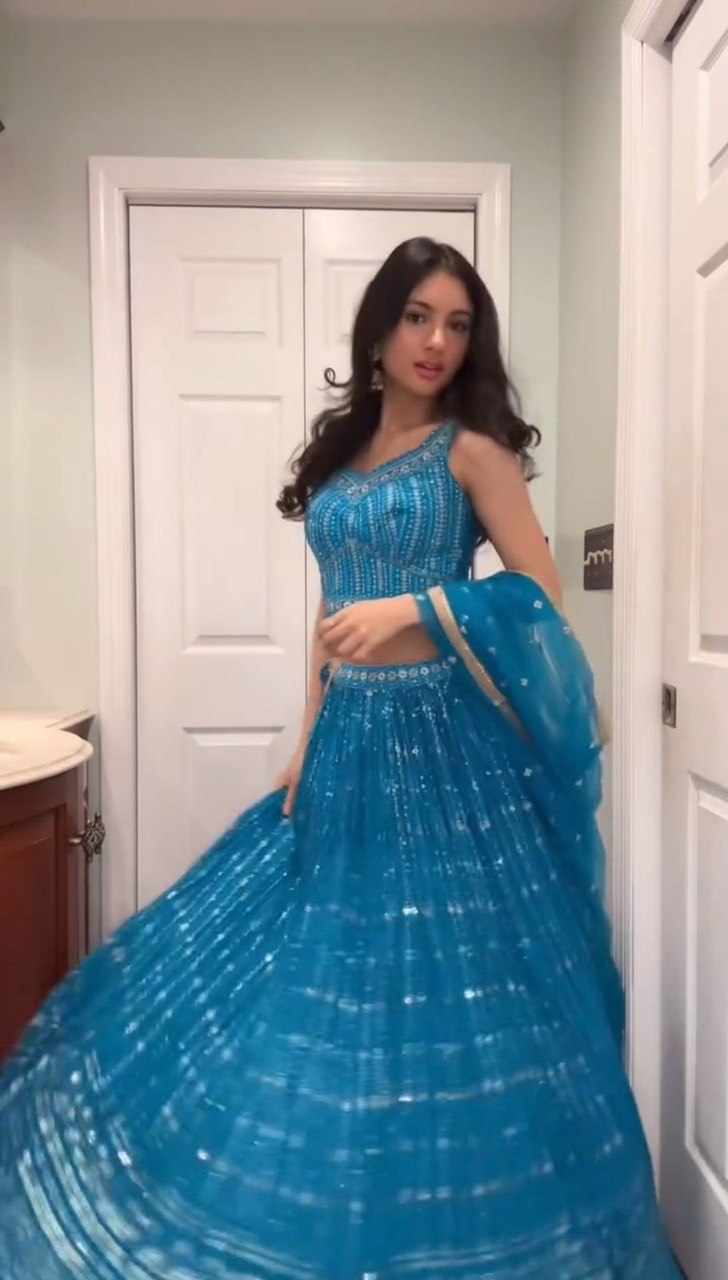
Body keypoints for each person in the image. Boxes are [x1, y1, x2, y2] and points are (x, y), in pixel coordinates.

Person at [0, 237, 680, 1278]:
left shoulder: (471, 452)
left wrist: (417, 608)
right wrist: (304, 742)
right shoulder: (341, 456)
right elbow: (329, 620)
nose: (437, 341)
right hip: (347, 747)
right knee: (314, 973)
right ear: (379, 327)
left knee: (448, 984)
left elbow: (537, 593)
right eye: (418, 316)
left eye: (457, 324)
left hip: (444, 753)